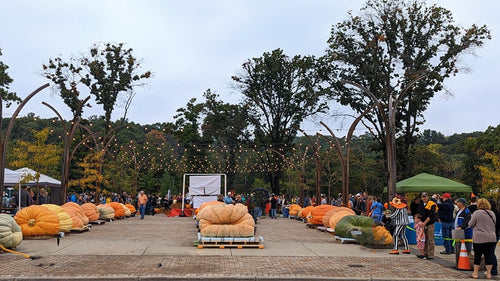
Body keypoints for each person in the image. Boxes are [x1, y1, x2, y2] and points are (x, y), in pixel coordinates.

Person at [468, 198, 496, 279]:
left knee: (478, 255)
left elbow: (471, 224)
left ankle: (475, 273)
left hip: (479, 237)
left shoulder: (477, 213)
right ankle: (488, 274)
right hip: (491, 237)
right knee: (488, 255)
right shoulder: (492, 213)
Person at [417, 192, 438, 260]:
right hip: (423, 224)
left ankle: (431, 254)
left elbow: (431, 215)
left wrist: (425, 223)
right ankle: (424, 253)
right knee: (424, 239)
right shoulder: (420, 204)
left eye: (425, 196)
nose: (424, 198)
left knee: (431, 239)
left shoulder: (432, 204)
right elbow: (419, 214)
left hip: (429, 223)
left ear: (428, 197)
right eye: (423, 197)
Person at [487, 199, 500, 277]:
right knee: (490, 252)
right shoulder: (496, 213)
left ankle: (493, 270)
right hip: (495, 234)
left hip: (493, 234)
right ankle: (491, 269)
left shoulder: (493, 213)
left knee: (490, 252)